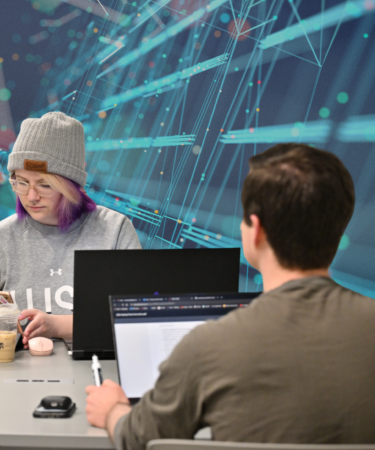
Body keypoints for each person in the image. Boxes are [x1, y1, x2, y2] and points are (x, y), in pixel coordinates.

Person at [85, 143, 375, 447]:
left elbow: (138, 439)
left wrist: (112, 410)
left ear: (256, 230)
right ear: (339, 229)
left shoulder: (207, 346)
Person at [0, 112, 140, 346]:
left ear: (71, 186)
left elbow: (138, 321)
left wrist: (57, 326)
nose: (31, 196)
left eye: (45, 185)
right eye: (21, 182)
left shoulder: (115, 230)